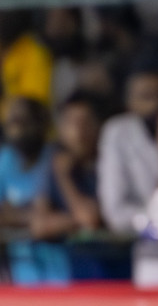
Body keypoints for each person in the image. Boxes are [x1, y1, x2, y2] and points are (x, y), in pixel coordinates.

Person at [98, 67, 158, 287]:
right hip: (150, 260)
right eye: (146, 97)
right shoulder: (118, 132)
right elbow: (116, 214)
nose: (157, 104)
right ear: (129, 102)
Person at [31, 92, 127, 281]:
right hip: (75, 275)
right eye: (70, 123)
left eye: (85, 123)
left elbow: (89, 219)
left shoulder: (109, 163)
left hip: (114, 273)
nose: (78, 132)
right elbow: (40, 225)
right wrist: (74, 221)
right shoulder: (54, 158)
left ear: (99, 126)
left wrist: (64, 178)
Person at [0, 96, 67, 284]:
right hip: (20, 264)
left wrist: (14, 213)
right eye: (12, 122)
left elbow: (57, 213)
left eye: (23, 122)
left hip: (61, 262)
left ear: (42, 124)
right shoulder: (6, 159)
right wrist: (31, 216)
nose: (17, 129)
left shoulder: (55, 156)